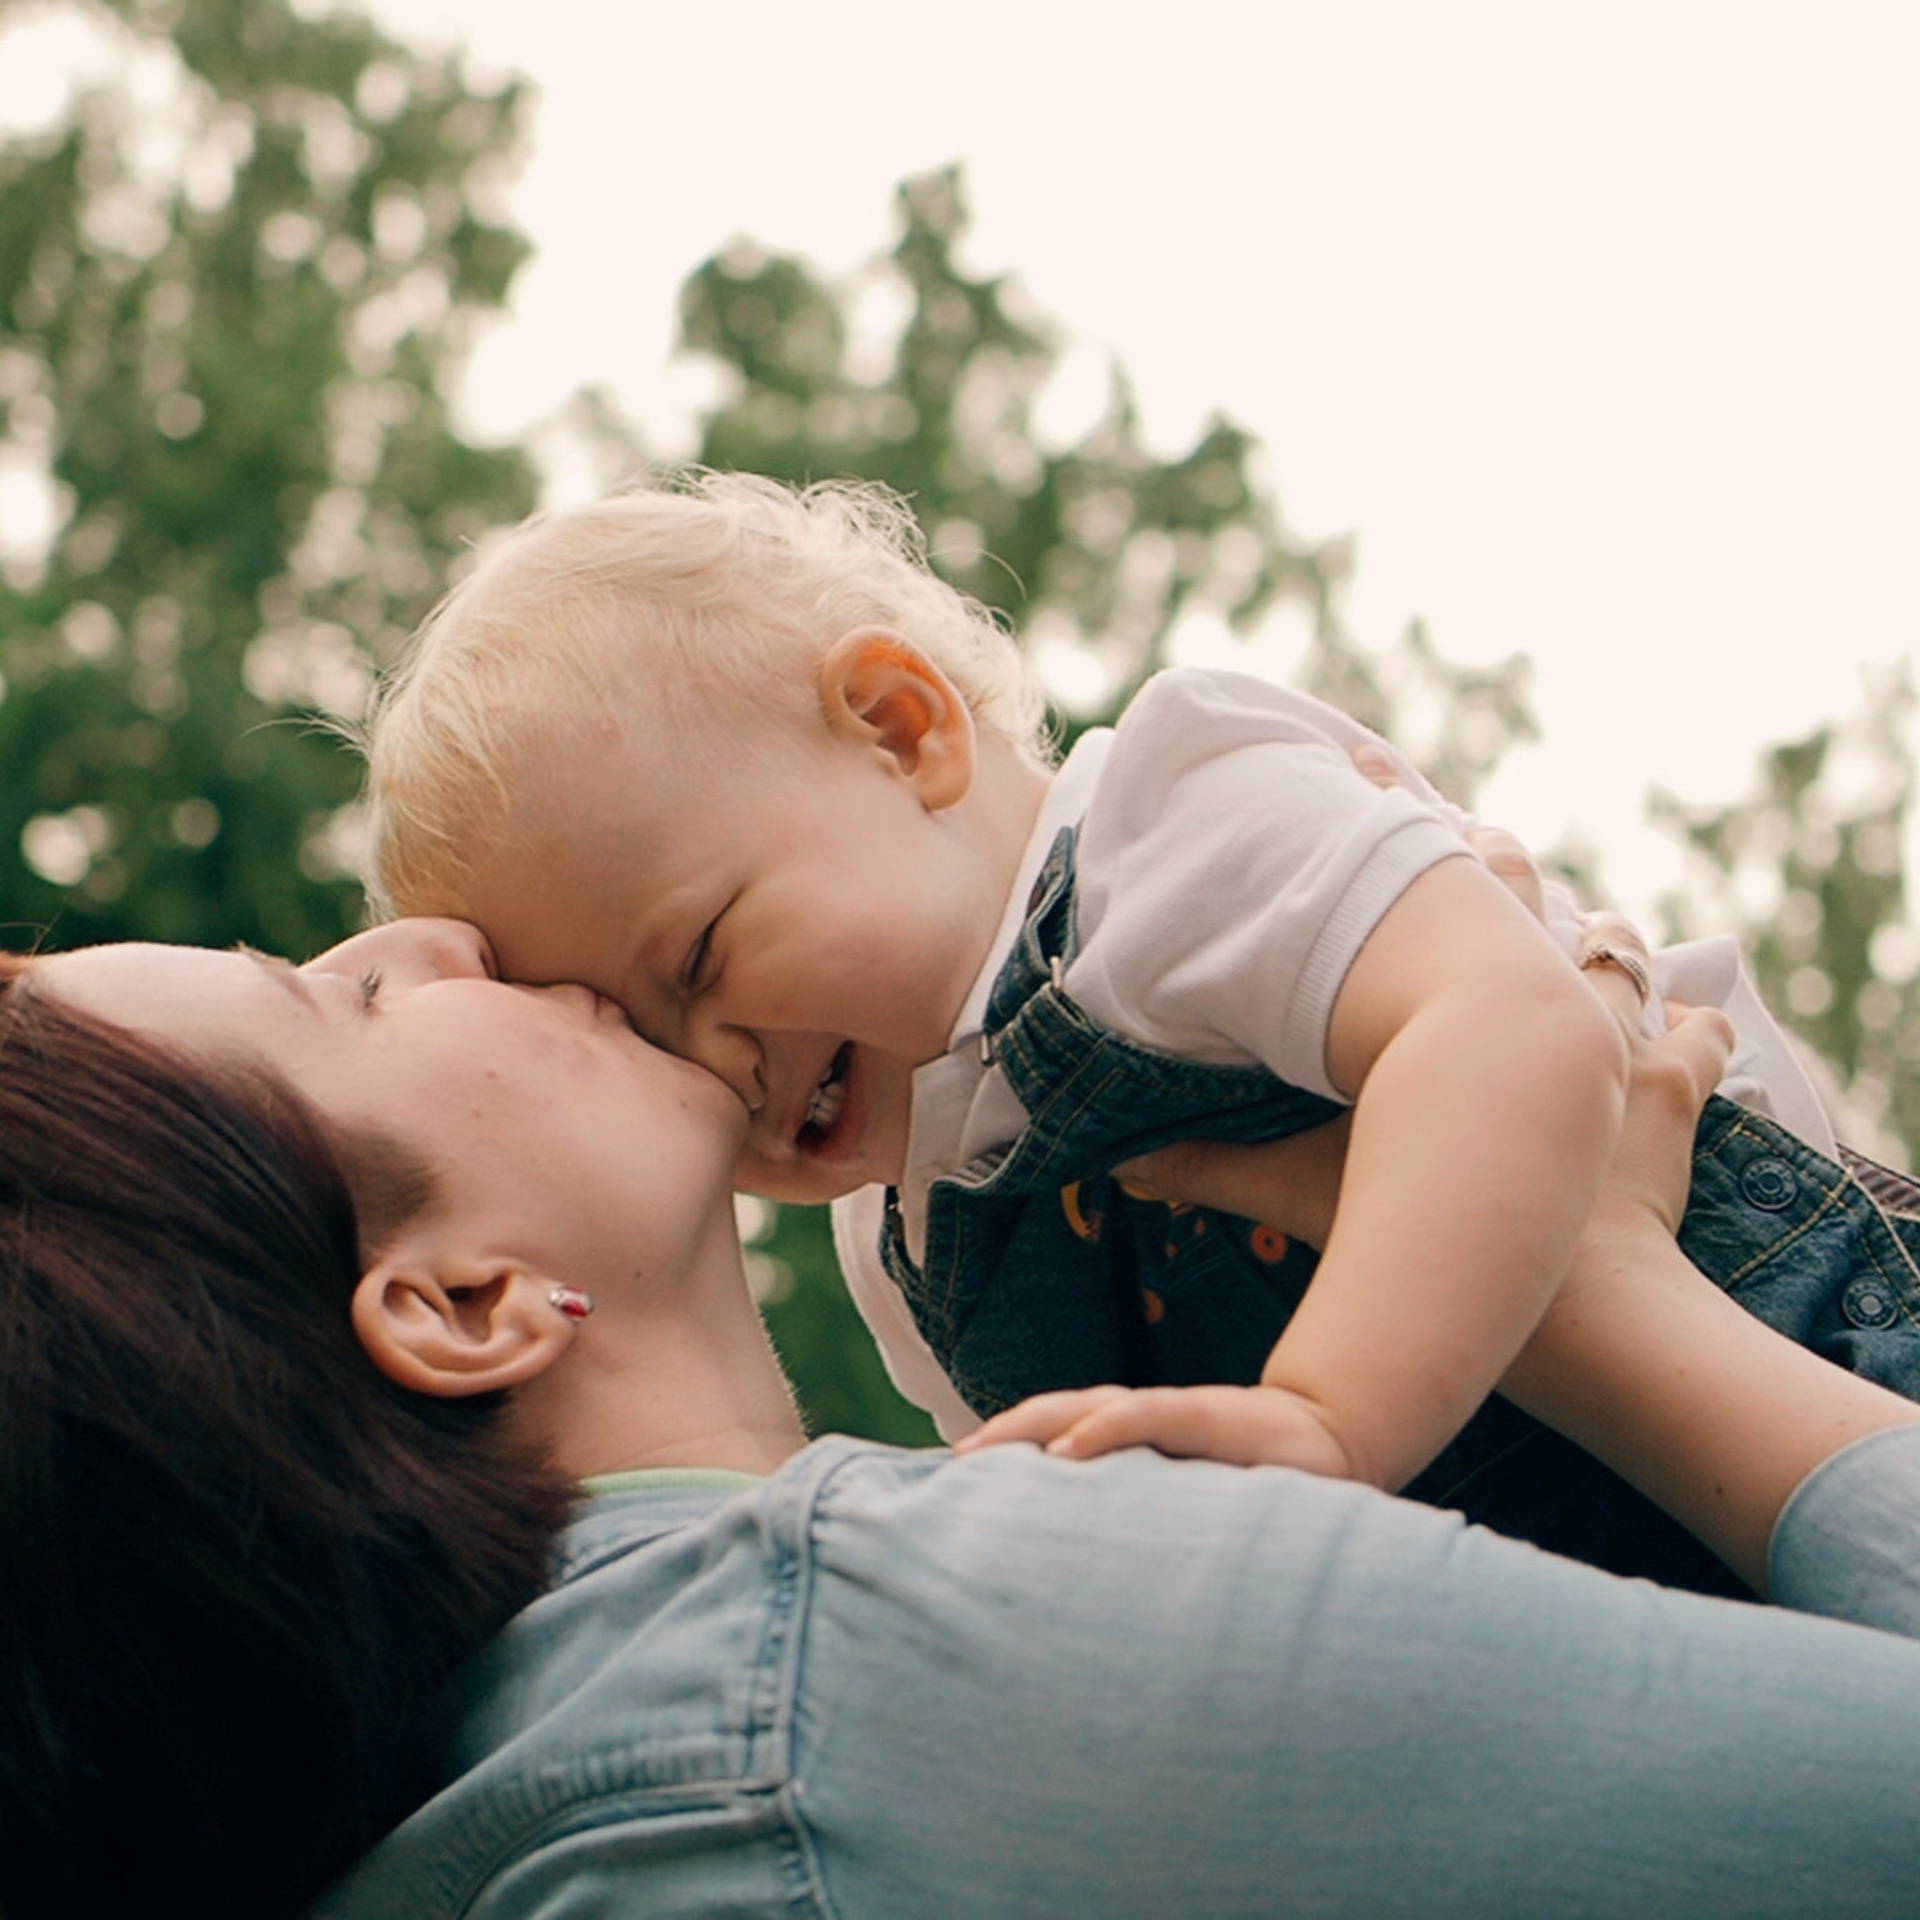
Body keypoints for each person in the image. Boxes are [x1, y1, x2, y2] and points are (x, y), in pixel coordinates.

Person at [9, 911, 1920, 1919]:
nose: (427, 936)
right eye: (331, 998)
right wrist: (1594, 1288)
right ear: (461, 1307)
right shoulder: (909, 1664)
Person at [361, 471, 1920, 1585]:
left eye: (701, 952)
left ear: (903, 732)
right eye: (644, 1041)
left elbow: (1513, 1025)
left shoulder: (1166, 834)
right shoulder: (909, 1243)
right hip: (1624, 1584)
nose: (721, 1067)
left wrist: (1325, 1418)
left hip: (1825, 1345)